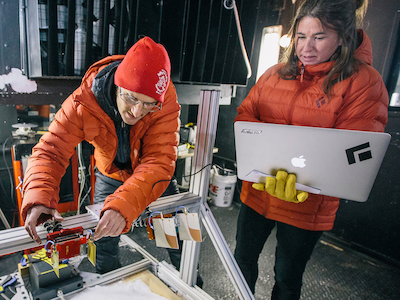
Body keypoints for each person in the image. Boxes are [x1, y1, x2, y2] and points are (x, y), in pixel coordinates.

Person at [233, 0, 389, 299]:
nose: (307, 47)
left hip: (307, 203)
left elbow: (352, 150)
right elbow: (246, 115)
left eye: (319, 37)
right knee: (241, 262)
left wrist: (307, 177)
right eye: (301, 37)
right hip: (259, 191)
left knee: (288, 277)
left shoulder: (363, 82)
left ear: (342, 38)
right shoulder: (274, 73)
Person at [21, 37, 181, 273]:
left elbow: (159, 161)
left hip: (153, 179)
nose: (137, 111)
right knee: (104, 242)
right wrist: (39, 197)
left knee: (177, 238)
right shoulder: (83, 102)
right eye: (131, 97)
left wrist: (123, 205)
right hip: (110, 175)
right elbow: (50, 150)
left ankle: (191, 285)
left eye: (148, 104)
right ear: (117, 84)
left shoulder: (164, 99)